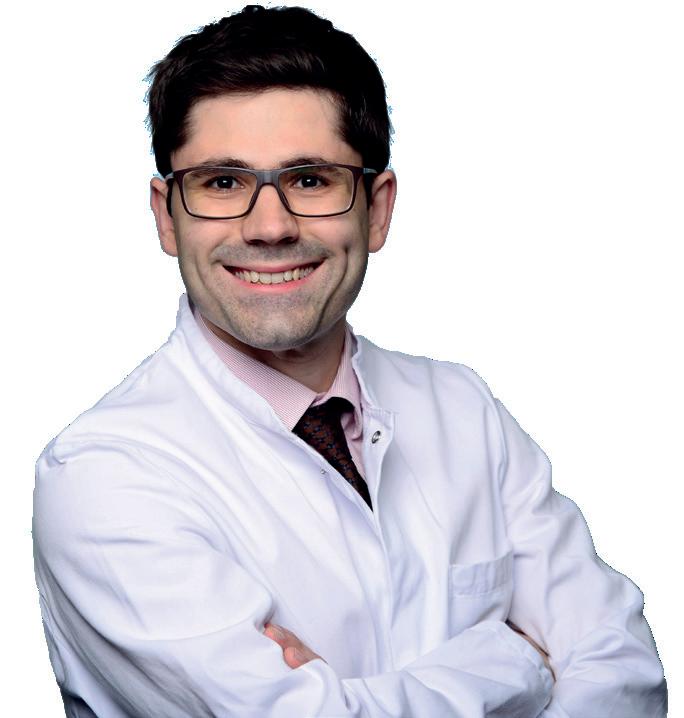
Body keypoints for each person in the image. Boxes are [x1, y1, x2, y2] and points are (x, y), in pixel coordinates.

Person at [33, 5, 667, 717]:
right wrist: (518, 662)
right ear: (166, 216)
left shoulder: (463, 409)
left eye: (310, 180)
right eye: (221, 183)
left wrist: (351, 699)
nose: (269, 226)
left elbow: (626, 672)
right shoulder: (103, 474)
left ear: (377, 209)